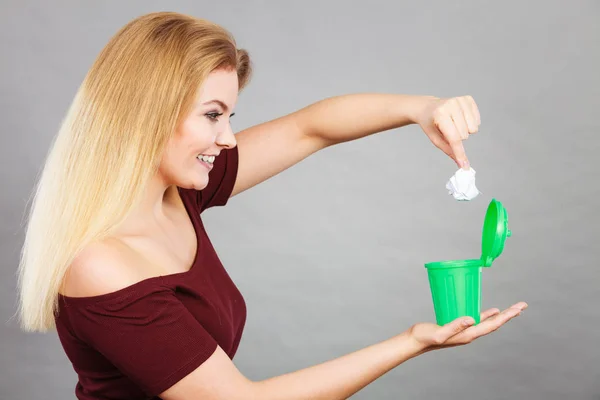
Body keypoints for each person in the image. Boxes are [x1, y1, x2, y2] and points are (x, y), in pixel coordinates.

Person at [16, 11, 527, 400]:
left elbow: (312, 127)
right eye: (213, 115)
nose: (229, 138)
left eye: (230, 115)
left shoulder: (181, 195)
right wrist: (414, 341)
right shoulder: (101, 265)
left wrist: (422, 109)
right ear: (148, 111)